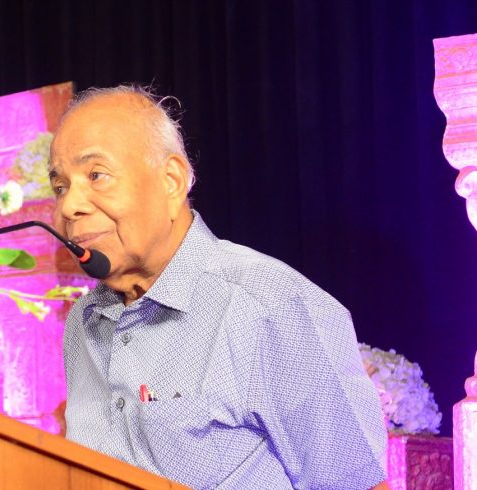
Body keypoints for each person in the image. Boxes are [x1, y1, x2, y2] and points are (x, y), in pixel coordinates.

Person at [52, 85, 388, 489]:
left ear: (171, 180)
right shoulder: (83, 323)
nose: (69, 206)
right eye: (60, 186)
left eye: (96, 175)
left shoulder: (272, 305)